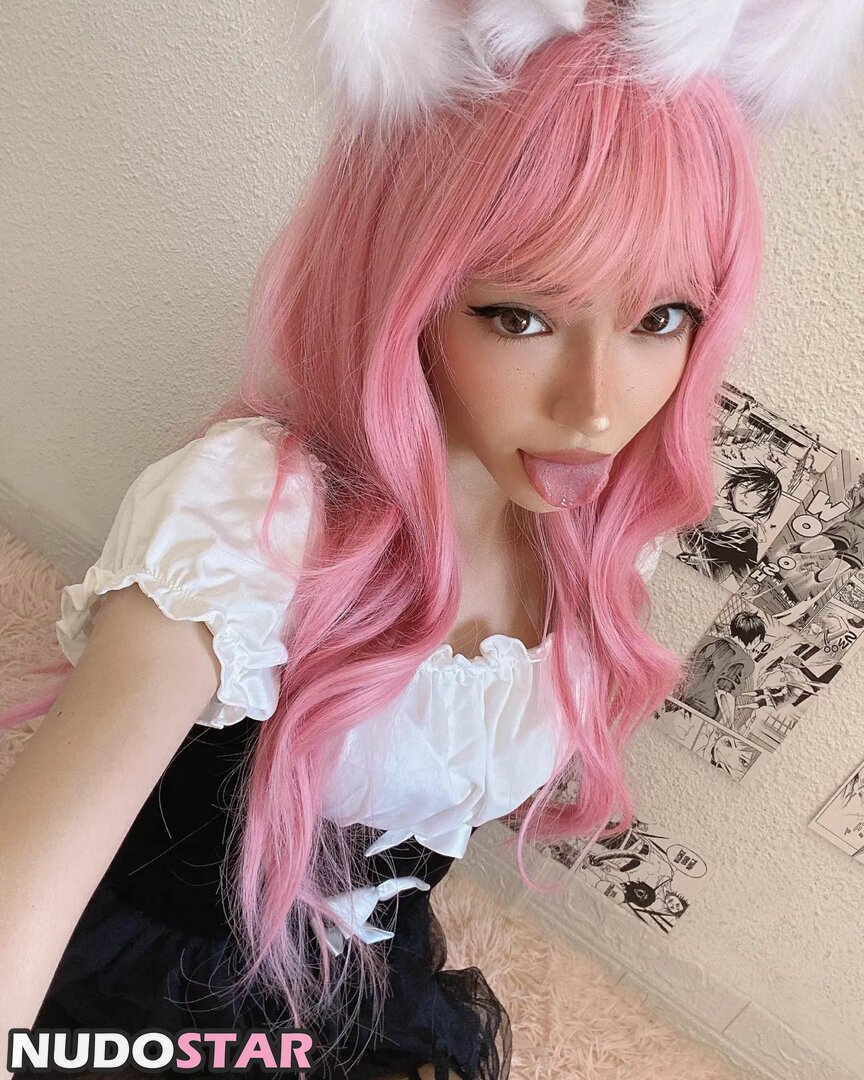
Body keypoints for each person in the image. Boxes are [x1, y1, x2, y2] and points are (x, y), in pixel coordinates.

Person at [2, 2, 857, 1078]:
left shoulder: (595, 541)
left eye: (661, 319)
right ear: (404, 287)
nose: (597, 408)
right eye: (521, 317)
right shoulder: (248, 525)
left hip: (365, 964)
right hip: (165, 982)